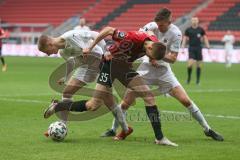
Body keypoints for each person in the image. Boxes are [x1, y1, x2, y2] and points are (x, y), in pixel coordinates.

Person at [101, 8, 224, 142]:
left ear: (169, 22)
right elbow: (139, 42)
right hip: (145, 69)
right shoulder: (151, 26)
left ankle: (207, 129)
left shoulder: (176, 33)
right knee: (126, 103)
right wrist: (149, 56)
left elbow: (173, 58)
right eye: (157, 24)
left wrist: (158, 56)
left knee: (185, 100)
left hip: (163, 72)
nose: (158, 26)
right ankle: (113, 129)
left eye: (161, 25)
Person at [44, 26, 178, 146]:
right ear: (149, 47)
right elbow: (108, 30)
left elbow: (149, 31)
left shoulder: (152, 40)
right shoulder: (131, 38)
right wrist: (90, 48)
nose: (148, 58)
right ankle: (58, 106)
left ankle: (159, 138)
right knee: (93, 105)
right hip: (109, 66)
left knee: (148, 97)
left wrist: (153, 57)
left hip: (124, 68)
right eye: (149, 55)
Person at [182, 17, 210, 85]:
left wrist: (208, 46)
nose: (194, 21)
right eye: (193, 20)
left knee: (199, 65)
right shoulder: (188, 30)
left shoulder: (201, 30)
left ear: (198, 21)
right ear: (191, 21)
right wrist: (183, 47)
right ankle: (188, 79)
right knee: (190, 64)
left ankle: (197, 81)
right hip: (191, 48)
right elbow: (185, 38)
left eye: (195, 20)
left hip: (199, 48)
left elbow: (205, 37)